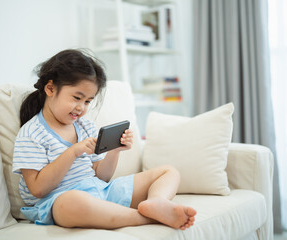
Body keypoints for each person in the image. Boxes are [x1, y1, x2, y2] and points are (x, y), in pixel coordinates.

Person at [12, 49, 196, 230]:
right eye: (77, 97)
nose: (81, 107)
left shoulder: (85, 127)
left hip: (100, 192)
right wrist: (73, 151)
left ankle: (157, 202)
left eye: (87, 101)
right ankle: (147, 218)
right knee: (72, 202)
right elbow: (37, 189)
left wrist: (114, 151)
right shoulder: (31, 133)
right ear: (50, 88)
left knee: (168, 172)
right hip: (59, 201)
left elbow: (102, 177)